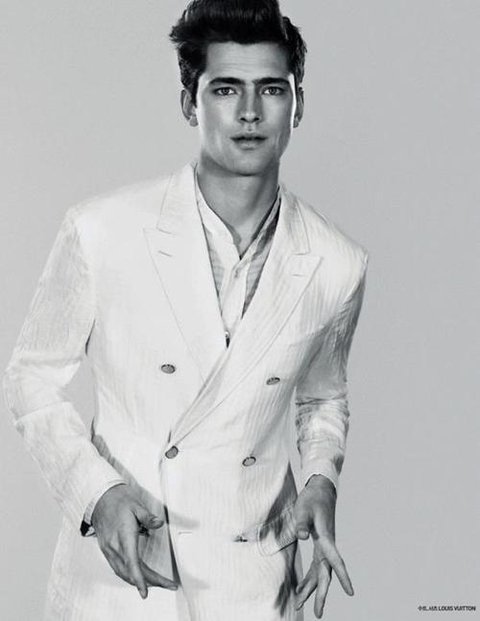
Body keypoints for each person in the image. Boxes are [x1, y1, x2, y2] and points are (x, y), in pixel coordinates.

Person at [3, 1, 369, 619]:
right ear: (189, 104)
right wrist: (96, 494)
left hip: (254, 578)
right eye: (225, 89)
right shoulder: (103, 231)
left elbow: (322, 397)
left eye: (271, 89)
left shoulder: (337, 262)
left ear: (297, 104)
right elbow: (30, 378)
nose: (249, 112)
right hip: (124, 574)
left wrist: (320, 481)